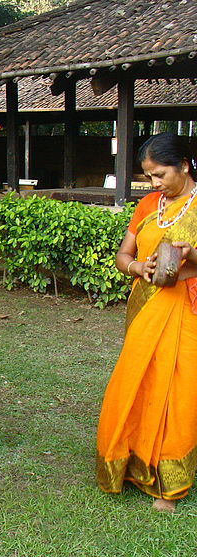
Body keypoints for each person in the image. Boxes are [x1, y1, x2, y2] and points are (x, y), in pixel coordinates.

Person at [96, 132, 197, 513]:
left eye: (159, 175)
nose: (154, 183)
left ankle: (169, 484)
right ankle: (130, 465)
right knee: (138, 383)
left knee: (178, 391)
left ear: (184, 166)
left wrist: (192, 255)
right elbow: (125, 255)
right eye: (148, 176)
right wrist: (138, 266)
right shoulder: (148, 206)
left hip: (187, 309)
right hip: (145, 305)